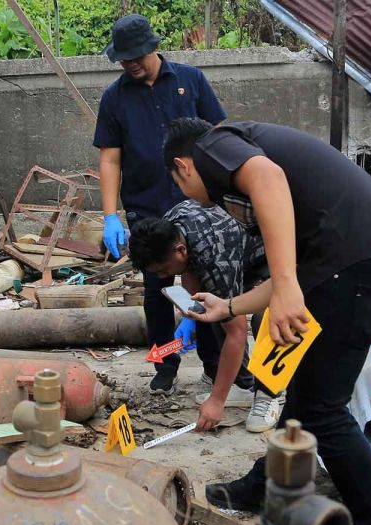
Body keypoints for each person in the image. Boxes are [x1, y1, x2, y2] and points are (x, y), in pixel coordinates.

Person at [163, 117, 371, 525]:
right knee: (303, 397)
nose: (188, 196)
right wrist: (230, 307)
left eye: (179, 184)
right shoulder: (242, 154)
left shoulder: (213, 145)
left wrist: (284, 287)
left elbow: (268, 181)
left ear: (182, 166)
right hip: (352, 260)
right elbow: (297, 270)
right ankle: (265, 485)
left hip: (359, 261)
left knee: (323, 409)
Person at [93, 14, 231, 398]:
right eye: (123, 59)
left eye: (136, 55)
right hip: (147, 210)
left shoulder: (191, 81)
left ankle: (215, 365)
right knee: (156, 293)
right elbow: (110, 159)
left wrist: (221, 192)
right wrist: (109, 215)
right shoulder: (115, 98)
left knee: (205, 286)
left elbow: (219, 135)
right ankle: (165, 362)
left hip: (197, 207)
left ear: (153, 47)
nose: (131, 64)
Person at [127, 203, 285, 433]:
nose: (163, 276)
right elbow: (190, 270)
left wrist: (217, 401)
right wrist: (194, 313)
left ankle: (271, 393)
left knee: (266, 315)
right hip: (234, 245)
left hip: (274, 254)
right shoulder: (171, 224)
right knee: (211, 312)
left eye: (163, 269)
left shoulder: (217, 257)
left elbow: (237, 333)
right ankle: (243, 384)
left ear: (180, 250)